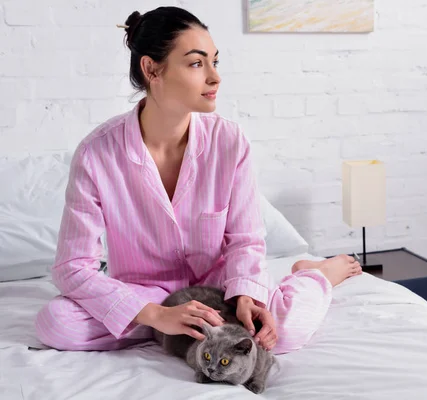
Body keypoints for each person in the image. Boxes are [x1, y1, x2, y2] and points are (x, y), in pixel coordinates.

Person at [34, 6, 362, 355]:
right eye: (195, 63)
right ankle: (168, 327)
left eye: (214, 62)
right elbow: (72, 267)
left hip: (218, 289)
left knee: (286, 331)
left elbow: (246, 240)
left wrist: (245, 295)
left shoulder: (230, 142)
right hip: (146, 294)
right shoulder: (96, 154)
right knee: (57, 323)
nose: (214, 77)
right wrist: (156, 315)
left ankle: (316, 275)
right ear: (151, 69)